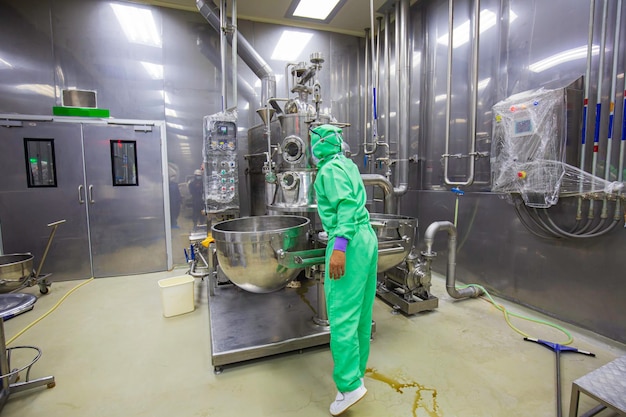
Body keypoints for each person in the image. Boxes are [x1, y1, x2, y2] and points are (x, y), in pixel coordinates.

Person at [310, 124, 378, 416]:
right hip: (365, 239)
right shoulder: (346, 164)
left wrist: (338, 246)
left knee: (342, 316)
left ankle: (349, 386)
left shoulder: (329, 170)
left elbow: (346, 206)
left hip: (348, 243)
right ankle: (356, 375)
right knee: (361, 314)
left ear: (320, 145)